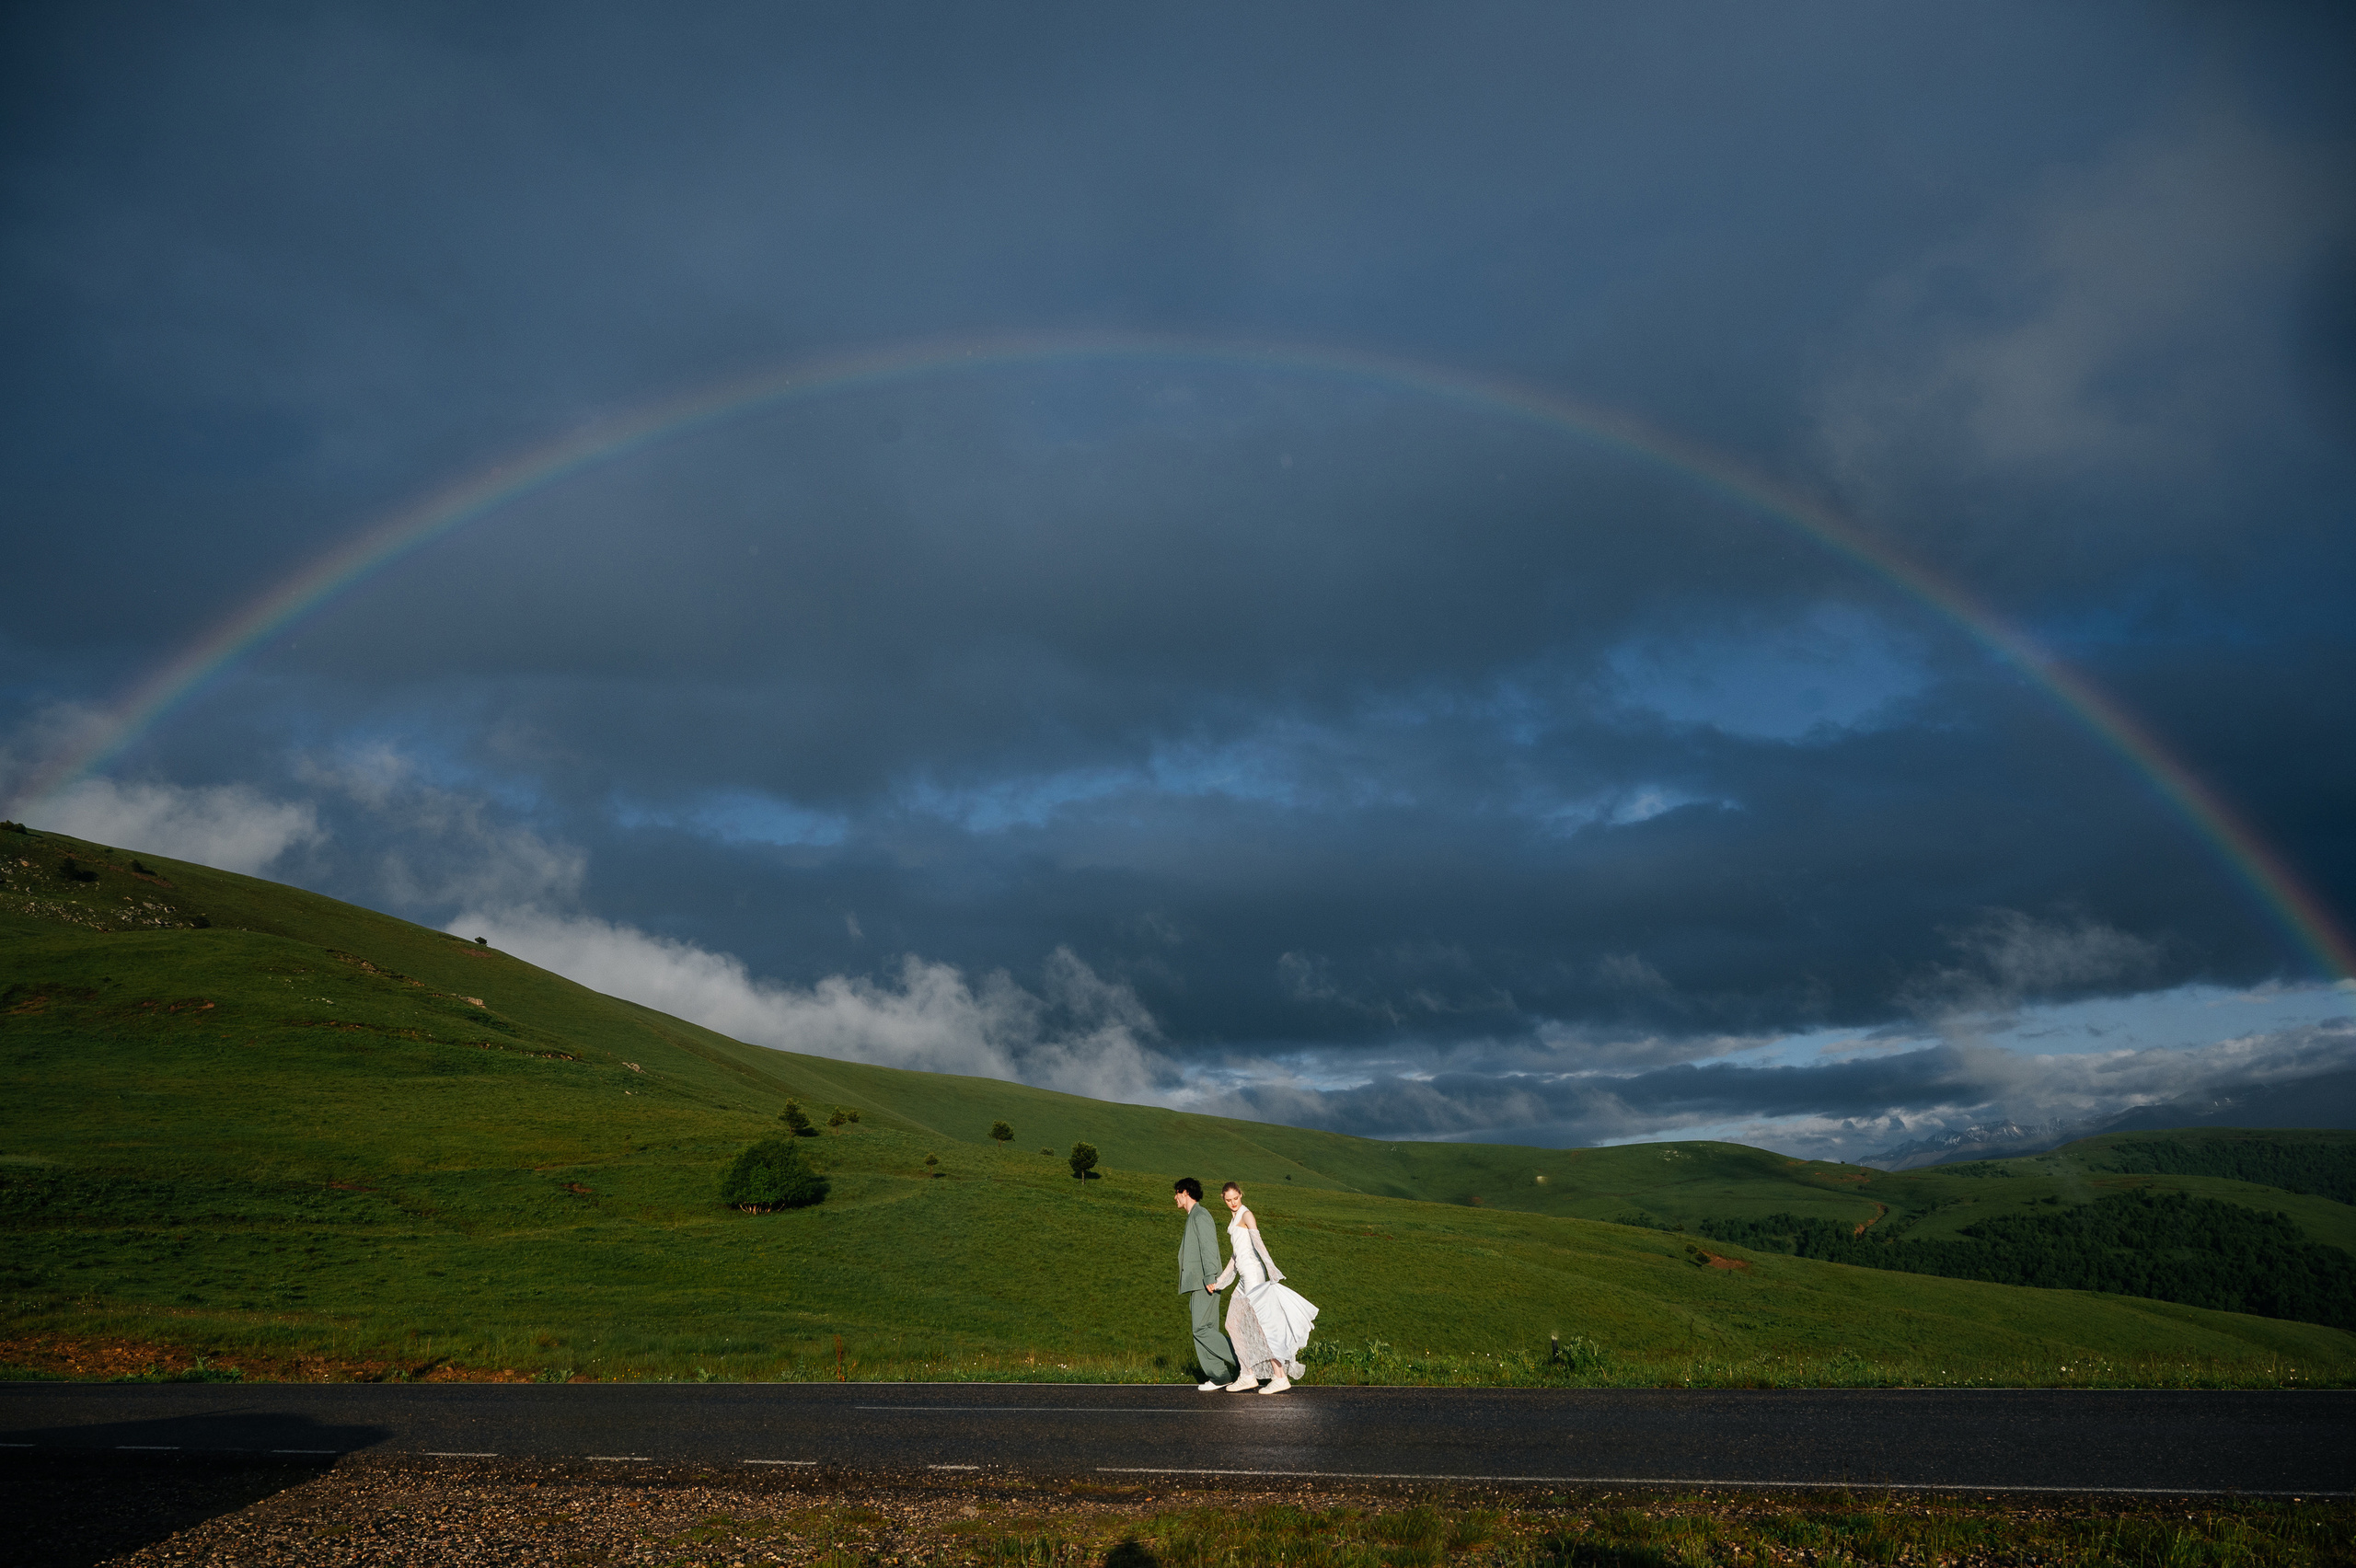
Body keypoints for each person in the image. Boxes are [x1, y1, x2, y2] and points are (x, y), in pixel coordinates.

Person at [1209, 1181, 1319, 1394]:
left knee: (1263, 1328)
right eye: (1228, 1200)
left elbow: (1259, 1245)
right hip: (1243, 1278)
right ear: (1223, 1199)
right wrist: (1220, 1282)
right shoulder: (1234, 1217)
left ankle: (1280, 1377)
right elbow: (1236, 1256)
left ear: (1241, 1195)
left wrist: (1272, 1270)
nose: (1232, 1203)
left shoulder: (1247, 1215)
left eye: (1236, 1198)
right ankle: (1247, 1375)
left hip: (1253, 1277)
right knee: (1232, 1324)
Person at [1172, 1177, 1238, 1390]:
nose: (1174, 1198)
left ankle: (1246, 1360)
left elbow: (1209, 1246)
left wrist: (1210, 1276)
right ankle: (1220, 1375)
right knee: (1204, 1328)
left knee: (1201, 1329)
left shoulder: (1200, 1215)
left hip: (1205, 1282)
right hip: (1198, 1283)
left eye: (1176, 1193)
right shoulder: (1194, 1216)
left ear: (1184, 1192)